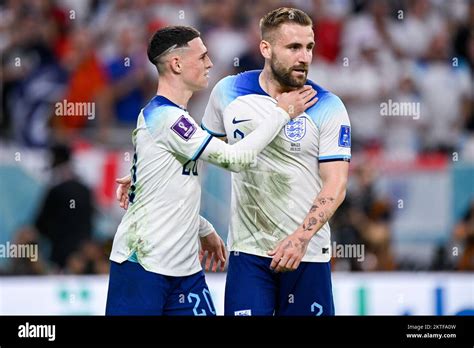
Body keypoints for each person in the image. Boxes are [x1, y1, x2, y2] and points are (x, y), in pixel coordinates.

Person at [106, 25, 317, 316]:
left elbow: (174, 185)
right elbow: (235, 159)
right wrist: (281, 112)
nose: (210, 63)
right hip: (143, 264)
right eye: (203, 57)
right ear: (177, 64)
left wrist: (202, 228)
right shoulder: (166, 118)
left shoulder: (179, 120)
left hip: (185, 271)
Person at [201, 7, 351, 316]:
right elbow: (199, 152)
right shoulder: (227, 93)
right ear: (266, 48)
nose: (304, 57)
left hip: (306, 254)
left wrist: (300, 238)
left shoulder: (328, 106)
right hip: (249, 253)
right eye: (293, 47)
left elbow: (336, 183)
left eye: (309, 47)